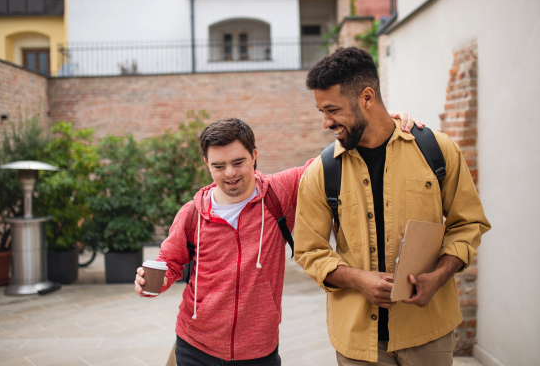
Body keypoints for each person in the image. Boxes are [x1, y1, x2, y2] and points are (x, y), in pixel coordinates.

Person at [135, 113, 421, 365]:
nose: (230, 173)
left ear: (254, 155)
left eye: (238, 162)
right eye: (219, 166)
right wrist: (150, 283)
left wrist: (385, 124)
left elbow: (331, 160)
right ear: (206, 163)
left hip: (258, 350)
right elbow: (169, 263)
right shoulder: (193, 213)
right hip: (195, 345)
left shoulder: (279, 192)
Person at [293, 47, 491, 366]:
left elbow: (468, 225)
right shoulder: (321, 171)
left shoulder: (437, 150)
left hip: (428, 332)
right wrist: (358, 279)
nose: (326, 122)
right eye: (322, 112)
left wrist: (438, 276)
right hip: (358, 341)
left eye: (332, 110)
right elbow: (308, 250)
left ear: (367, 98)